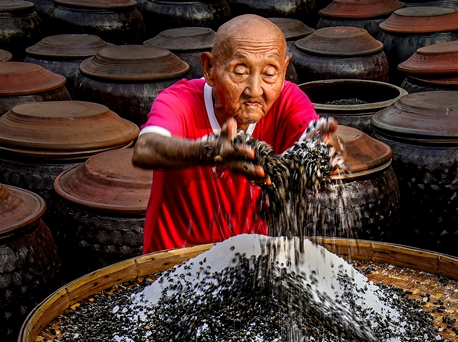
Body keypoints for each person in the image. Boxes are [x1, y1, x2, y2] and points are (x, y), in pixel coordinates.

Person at [133, 15, 333, 253]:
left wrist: (318, 156)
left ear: (284, 70)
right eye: (240, 71)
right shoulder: (180, 101)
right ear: (209, 68)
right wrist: (210, 150)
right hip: (175, 265)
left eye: (269, 73)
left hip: (251, 266)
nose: (255, 89)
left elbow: (312, 140)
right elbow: (145, 148)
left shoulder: (287, 100)